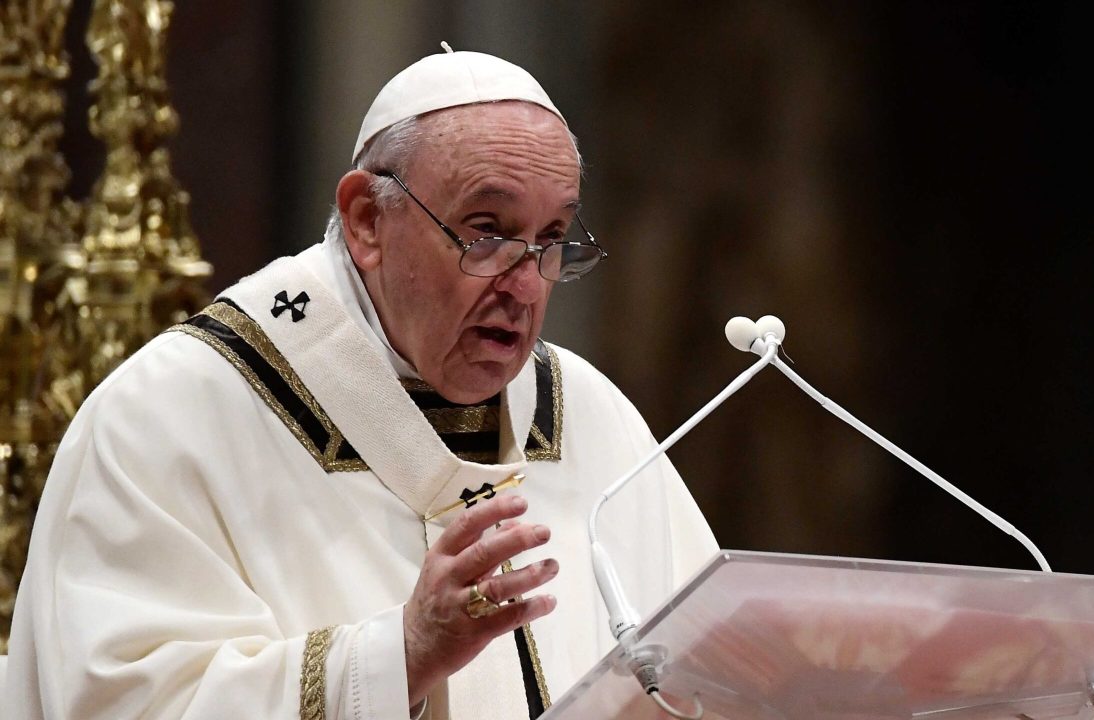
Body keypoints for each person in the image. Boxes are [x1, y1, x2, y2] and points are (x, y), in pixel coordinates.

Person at [5, 48, 718, 719]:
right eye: (487, 231)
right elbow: (124, 701)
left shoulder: (590, 417)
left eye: (553, 238)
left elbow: (712, 668)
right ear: (367, 220)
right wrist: (398, 659)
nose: (527, 283)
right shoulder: (170, 415)